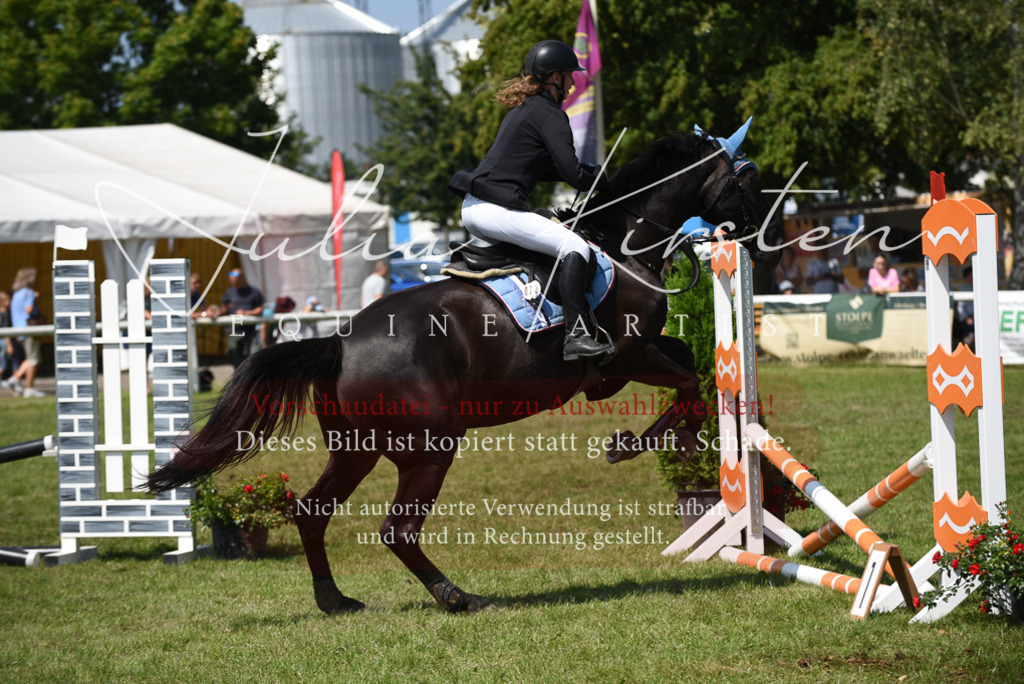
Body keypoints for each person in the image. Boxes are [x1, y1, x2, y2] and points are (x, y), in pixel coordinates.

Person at [448, 39, 615, 362]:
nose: (573, 82)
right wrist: (597, 179)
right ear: (555, 76)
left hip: (476, 207)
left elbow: (541, 168)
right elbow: (572, 174)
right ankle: (576, 335)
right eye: (570, 75)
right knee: (576, 247)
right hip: (494, 210)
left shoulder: (524, 108)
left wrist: (586, 173)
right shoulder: (550, 114)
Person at [8, 268, 45, 397]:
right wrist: (36, 300)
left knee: (30, 359)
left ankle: (18, 380)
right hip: (29, 329)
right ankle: (26, 386)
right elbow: (28, 310)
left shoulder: (16, 294)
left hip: (19, 329)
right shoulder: (29, 293)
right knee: (33, 360)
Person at [220, 268, 264, 367]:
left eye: (236, 282)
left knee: (254, 352)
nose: (234, 285)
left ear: (243, 279)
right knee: (234, 350)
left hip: (251, 328)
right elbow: (224, 309)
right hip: (235, 328)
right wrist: (224, 309)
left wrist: (246, 313)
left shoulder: (254, 292)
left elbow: (260, 309)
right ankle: (238, 374)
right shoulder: (229, 292)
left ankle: (252, 374)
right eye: (232, 282)